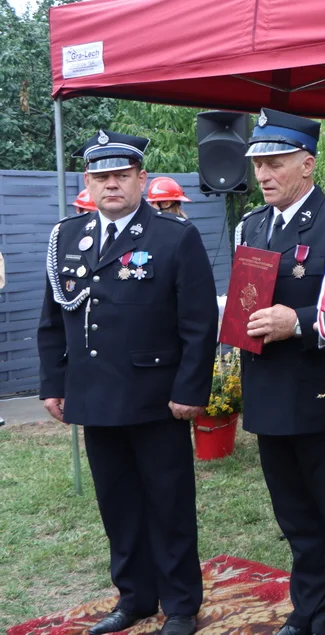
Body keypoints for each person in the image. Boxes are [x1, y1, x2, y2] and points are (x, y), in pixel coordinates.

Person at [37, 130, 219, 635]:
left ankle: (181, 604)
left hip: (155, 398)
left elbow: (199, 323)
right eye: (101, 177)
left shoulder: (173, 236)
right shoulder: (66, 238)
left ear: (141, 178)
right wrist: (55, 381)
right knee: (117, 503)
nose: (111, 185)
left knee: (169, 503)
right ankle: (135, 596)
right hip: (93, 396)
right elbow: (53, 320)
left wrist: (189, 390)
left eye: (121, 175)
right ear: (87, 183)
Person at [235, 108, 325, 635]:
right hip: (268, 390)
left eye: (277, 162)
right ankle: (306, 606)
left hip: (319, 391)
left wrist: (303, 322)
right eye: (259, 163)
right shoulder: (252, 224)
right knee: (294, 516)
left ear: (307, 163)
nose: (263, 174)